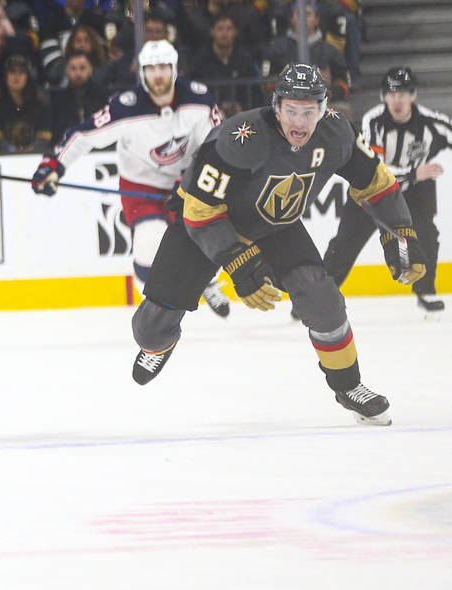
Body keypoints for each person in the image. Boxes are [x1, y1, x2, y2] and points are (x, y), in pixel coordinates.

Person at [128, 64, 427, 426]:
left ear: (324, 107)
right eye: (291, 110)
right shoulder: (241, 137)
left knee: (320, 295)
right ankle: (160, 341)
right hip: (202, 222)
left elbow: (376, 182)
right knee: (150, 328)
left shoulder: (336, 133)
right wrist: (238, 261)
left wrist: (400, 231)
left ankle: (349, 385)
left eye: (309, 110)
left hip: (272, 224)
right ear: (276, 105)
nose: (300, 122)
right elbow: (201, 210)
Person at [32, 40, 230, 315]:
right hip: (140, 185)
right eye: (151, 69)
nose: (157, 75)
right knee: (149, 241)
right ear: (142, 73)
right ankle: (154, 310)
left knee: (202, 234)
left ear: (174, 70)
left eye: (163, 67)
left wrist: (192, 180)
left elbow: (216, 145)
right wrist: (53, 165)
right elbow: (82, 135)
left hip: (186, 182)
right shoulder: (125, 108)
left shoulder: (199, 100)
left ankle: (208, 282)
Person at [322, 67, 452, 313]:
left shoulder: (432, 122)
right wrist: (415, 173)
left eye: (403, 93)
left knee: (426, 236)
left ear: (413, 95)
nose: (397, 100)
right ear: (383, 97)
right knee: (345, 244)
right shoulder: (374, 120)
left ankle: (425, 291)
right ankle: (319, 296)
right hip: (371, 190)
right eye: (391, 94)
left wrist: (416, 177)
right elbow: (377, 169)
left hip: (414, 193)